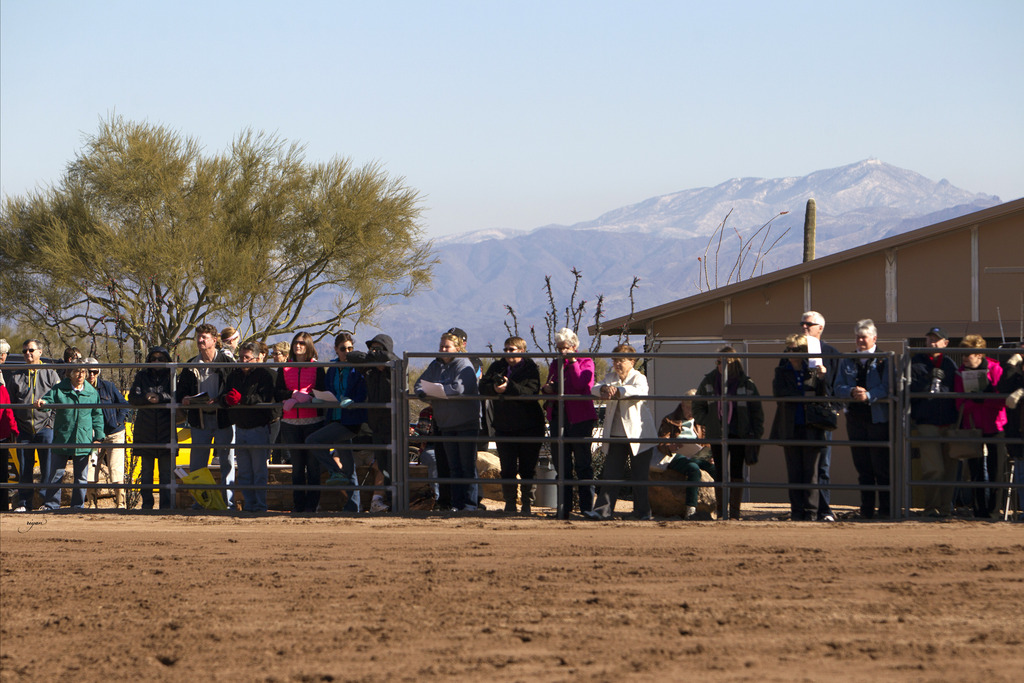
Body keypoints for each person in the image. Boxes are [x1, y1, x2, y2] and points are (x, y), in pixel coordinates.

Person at [692, 346, 764, 520]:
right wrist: (708, 420)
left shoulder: (746, 383)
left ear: (733, 363)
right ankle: (722, 509)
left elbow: (756, 411)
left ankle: (735, 512)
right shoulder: (709, 381)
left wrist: (755, 432)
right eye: (717, 362)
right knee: (720, 471)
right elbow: (697, 405)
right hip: (717, 433)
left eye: (724, 362)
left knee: (736, 471)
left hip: (738, 432)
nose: (720, 365)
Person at [588, 343, 656, 520]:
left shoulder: (639, 377)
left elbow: (639, 391)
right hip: (616, 434)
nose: (617, 364)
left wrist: (617, 390)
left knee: (640, 476)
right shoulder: (610, 377)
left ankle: (643, 513)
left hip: (638, 435)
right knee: (611, 474)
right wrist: (604, 389)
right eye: (615, 360)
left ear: (632, 362)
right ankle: (602, 511)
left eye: (621, 361)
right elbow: (594, 388)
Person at [479, 335, 545, 515]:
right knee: (507, 467)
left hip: (529, 426)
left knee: (527, 468)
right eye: (506, 349)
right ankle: (509, 503)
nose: (508, 353)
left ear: (522, 351)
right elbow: (482, 386)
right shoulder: (497, 366)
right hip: (504, 425)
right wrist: (494, 389)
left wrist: (509, 387)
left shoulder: (531, 368)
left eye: (512, 350)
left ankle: (526, 504)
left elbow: (531, 391)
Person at [415, 330, 480, 512]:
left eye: (447, 346)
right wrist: (423, 392)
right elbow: (420, 384)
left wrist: (437, 391)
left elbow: (459, 388)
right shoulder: (435, 365)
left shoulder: (463, 364)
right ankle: (456, 504)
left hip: (465, 422)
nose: (443, 349)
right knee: (454, 467)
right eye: (441, 346)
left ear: (457, 348)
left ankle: (469, 505)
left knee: (467, 466)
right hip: (445, 423)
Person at [834, 320, 892, 519]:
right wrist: (851, 391)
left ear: (874, 338)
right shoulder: (847, 360)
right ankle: (866, 510)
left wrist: (868, 395)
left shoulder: (885, 359)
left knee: (882, 467)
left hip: (878, 419)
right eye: (857, 337)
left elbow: (887, 387)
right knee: (863, 467)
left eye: (864, 337)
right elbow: (837, 387)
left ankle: (886, 511)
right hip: (855, 420)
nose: (860, 340)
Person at [771, 334, 831, 521]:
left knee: (811, 472)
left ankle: (811, 512)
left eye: (796, 349)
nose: (792, 353)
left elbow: (822, 394)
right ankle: (797, 511)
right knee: (794, 471)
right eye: (789, 349)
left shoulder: (812, 371)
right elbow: (779, 392)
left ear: (805, 352)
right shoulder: (781, 371)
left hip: (811, 426)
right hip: (790, 426)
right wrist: (802, 395)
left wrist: (822, 378)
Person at [177, 323, 236, 508]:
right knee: (197, 465)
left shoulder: (228, 363)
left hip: (223, 419)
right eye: (199, 337)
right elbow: (180, 392)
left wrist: (220, 400)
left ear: (214, 340)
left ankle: (228, 503)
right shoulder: (191, 365)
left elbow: (234, 388)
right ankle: (201, 503)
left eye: (204, 337)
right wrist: (185, 399)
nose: (200, 340)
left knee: (227, 462)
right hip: (199, 420)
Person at [541, 328, 598, 519]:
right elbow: (551, 383)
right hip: (559, 417)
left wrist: (572, 362)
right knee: (562, 466)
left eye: (565, 348)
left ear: (574, 347)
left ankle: (586, 509)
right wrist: (547, 388)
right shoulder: (555, 364)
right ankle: (563, 509)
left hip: (580, 419)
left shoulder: (586, 362)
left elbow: (583, 384)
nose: (561, 352)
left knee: (583, 465)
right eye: (559, 349)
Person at [308, 333, 366, 512]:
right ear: (336, 349)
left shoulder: (358, 368)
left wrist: (352, 401)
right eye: (343, 349)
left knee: (312, 441)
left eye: (350, 348)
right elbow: (329, 389)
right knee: (349, 466)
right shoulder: (332, 368)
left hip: (350, 420)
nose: (347, 352)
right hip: (335, 416)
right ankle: (354, 506)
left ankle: (335, 472)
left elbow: (362, 391)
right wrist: (323, 399)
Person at [34, 362, 104, 510]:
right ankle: (52, 505)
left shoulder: (92, 392)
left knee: (81, 477)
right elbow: (48, 399)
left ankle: (78, 506)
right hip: (62, 436)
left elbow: (97, 416)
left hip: (83, 439)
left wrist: (98, 438)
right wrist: (43, 402)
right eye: (76, 372)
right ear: (69, 374)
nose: (80, 375)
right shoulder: (60, 389)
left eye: (83, 372)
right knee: (56, 474)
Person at [909, 327, 960, 517]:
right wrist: (926, 381)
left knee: (949, 468)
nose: (932, 343)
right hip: (927, 422)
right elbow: (910, 390)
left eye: (936, 339)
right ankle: (931, 507)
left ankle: (946, 508)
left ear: (945, 343)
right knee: (933, 468)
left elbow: (957, 389)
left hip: (949, 421)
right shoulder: (916, 362)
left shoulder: (950, 364)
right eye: (929, 339)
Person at [954, 334, 1006, 519]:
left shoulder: (996, 369)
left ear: (979, 355)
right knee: (975, 470)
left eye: (969, 354)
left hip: (995, 424)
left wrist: (983, 398)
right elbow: (959, 403)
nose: (965, 358)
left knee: (996, 469)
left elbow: (1002, 401)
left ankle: (994, 511)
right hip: (972, 425)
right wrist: (976, 402)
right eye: (963, 354)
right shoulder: (960, 372)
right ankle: (979, 510)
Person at [345, 334, 399, 513]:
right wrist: (373, 359)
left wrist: (380, 359)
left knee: (394, 466)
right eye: (372, 349)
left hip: (394, 425)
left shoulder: (395, 367)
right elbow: (352, 356)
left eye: (378, 349)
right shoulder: (370, 370)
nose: (374, 352)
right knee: (383, 466)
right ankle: (389, 502)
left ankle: (397, 503)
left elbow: (392, 359)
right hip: (377, 425)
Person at [274, 331, 327, 513]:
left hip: (314, 422)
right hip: (290, 424)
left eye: (302, 343)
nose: (298, 346)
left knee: (313, 467)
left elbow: (322, 390)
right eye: (296, 342)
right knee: (296, 468)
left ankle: (312, 506)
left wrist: (309, 396)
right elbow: (277, 391)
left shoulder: (317, 366)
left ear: (309, 346)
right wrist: (292, 395)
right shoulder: (284, 367)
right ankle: (298, 506)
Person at [7, 339, 61, 512]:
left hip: (45, 428)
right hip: (24, 429)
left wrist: (51, 424)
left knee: (48, 467)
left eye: (31, 350)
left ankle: (47, 503)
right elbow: (10, 404)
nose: (28, 354)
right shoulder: (16, 376)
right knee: (24, 469)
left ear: (40, 352)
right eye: (24, 351)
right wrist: (15, 427)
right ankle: (24, 503)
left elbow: (59, 399)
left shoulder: (50, 374)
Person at [223, 341, 276, 513]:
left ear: (256, 358)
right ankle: (250, 504)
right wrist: (225, 399)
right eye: (241, 357)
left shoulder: (266, 375)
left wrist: (242, 399)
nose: (243, 361)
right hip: (240, 427)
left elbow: (264, 399)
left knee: (259, 471)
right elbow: (226, 393)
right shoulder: (234, 375)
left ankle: (260, 505)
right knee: (245, 471)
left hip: (258, 427)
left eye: (246, 358)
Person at [800, 311, 837, 522]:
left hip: (821, 417)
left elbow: (836, 386)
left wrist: (823, 378)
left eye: (809, 324)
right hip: (800, 415)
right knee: (801, 464)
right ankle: (804, 509)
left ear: (820, 328)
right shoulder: (793, 352)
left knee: (822, 465)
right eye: (802, 324)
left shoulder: (831, 353)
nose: (804, 327)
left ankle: (824, 510)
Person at [129, 347, 176, 510]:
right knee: (146, 473)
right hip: (146, 430)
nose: (156, 362)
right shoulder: (142, 376)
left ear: (166, 360)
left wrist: (161, 398)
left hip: (166, 430)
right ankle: (147, 505)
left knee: (166, 474)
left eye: (160, 358)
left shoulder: (172, 375)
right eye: (153, 358)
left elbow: (177, 396)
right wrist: (146, 398)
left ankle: (166, 507)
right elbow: (132, 397)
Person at [83, 357, 130, 508]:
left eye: (95, 372)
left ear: (99, 372)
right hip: (93, 436)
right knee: (91, 468)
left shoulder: (108, 386)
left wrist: (118, 421)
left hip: (114, 434)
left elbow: (123, 404)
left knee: (116, 469)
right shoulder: (80, 390)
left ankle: (121, 504)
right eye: (89, 371)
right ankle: (91, 504)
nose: (91, 375)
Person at [654, 393, 710, 520]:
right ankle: (691, 509)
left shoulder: (701, 421)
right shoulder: (669, 420)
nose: (691, 412)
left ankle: (722, 507)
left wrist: (710, 456)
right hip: (676, 455)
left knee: (717, 470)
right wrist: (669, 447)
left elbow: (707, 442)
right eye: (688, 408)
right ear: (682, 405)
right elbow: (662, 441)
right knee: (693, 468)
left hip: (697, 454)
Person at [997, 342, 1023, 516]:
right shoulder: (1016, 375)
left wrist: (1021, 392)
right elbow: (1003, 386)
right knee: (1021, 474)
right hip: (1018, 431)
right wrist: (1011, 364)